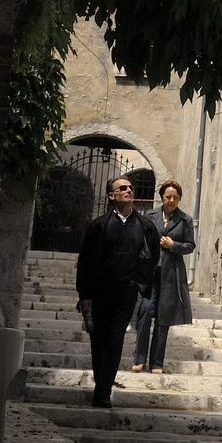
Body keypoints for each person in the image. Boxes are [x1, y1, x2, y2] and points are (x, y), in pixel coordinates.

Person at [75, 175, 160, 409]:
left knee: (115, 338)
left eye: (130, 187)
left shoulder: (145, 226)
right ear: (112, 196)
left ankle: (103, 392)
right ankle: (100, 384)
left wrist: (140, 283)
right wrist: (85, 296)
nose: (129, 190)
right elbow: (85, 263)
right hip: (100, 292)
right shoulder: (98, 226)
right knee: (98, 340)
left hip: (126, 293)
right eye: (123, 188)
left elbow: (153, 255)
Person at [131, 179, 196, 374]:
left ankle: (157, 363)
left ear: (180, 199)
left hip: (170, 275)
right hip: (150, 274)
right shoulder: (149, 217)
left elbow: (190, 246)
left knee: (163, 318)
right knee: (146, 310)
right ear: (162, 197)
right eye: (168, 197)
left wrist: (173, 245)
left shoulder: (185, 220)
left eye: (175, 197)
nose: (171, 200)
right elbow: (139, 241)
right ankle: (139, 359)